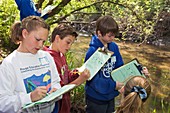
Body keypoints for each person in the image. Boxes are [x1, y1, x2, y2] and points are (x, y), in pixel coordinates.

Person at [0, 16, 61, 113]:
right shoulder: (9, 63)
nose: (41, 45)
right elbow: (2, 103)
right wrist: (30, 97)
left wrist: (56, 90)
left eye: (43, 41)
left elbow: (56, 82)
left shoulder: (47, 57)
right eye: (37, 39)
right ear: (25, 33)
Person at [43, 24, 90, 113]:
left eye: (71, 44)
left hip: (65, 105)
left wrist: (76, 73)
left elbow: (65, 76)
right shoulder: (49, 59)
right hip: (57, 107)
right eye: (67, 42)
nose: (69, 47)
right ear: (57, 38)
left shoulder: (61, 54)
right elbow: (60, 90)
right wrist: (80, 80)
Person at [84, 15, 124, 113]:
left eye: (114, 35)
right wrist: (113, 85)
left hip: (111, 96)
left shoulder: (114, 47)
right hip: (95, 98)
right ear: (99, 33)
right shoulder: (92, 52)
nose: (113, 38)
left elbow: (120, 66)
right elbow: (92, 79)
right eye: (110, 35)